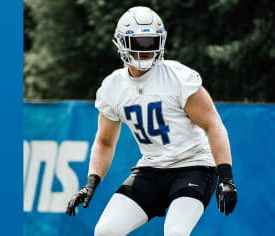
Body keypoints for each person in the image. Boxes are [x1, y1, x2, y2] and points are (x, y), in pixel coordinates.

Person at [66, 6, 237, 236]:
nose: (146, 49)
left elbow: (213, 124)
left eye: (151, 41)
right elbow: (105, 142)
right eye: (139, 42)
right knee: (106, 230)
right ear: (122, 43)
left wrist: (226, 178)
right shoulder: (113, 87)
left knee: (175, 232)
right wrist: (91, 183)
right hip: (152, 168)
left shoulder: (177, 77)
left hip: (194, 166)